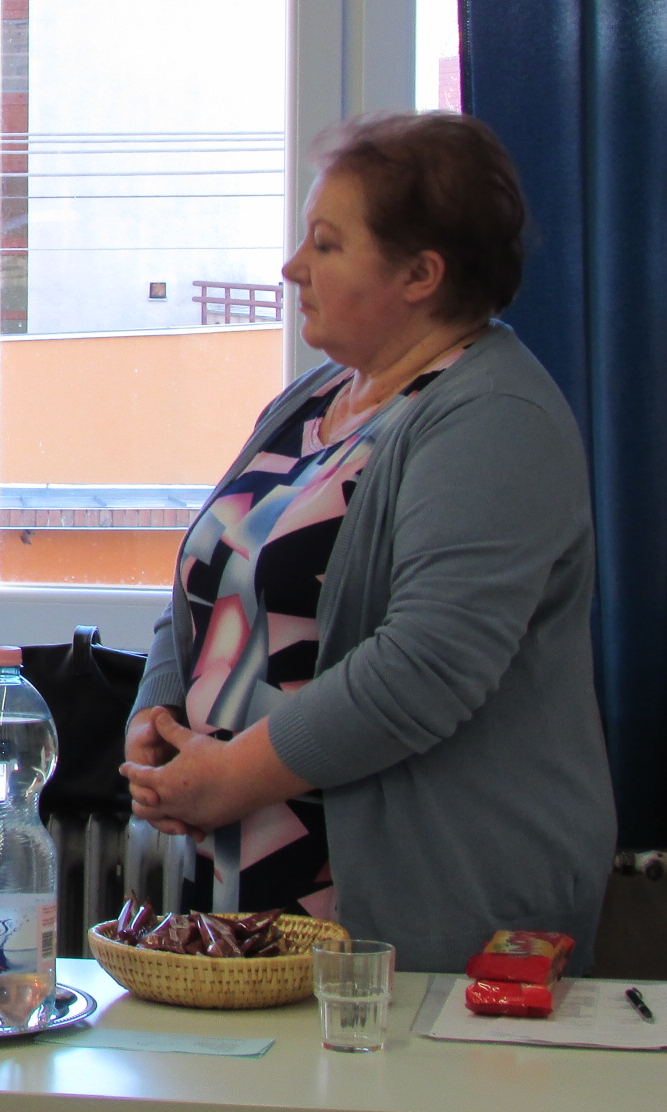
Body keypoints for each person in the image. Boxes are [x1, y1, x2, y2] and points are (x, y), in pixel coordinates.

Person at [120, 112, 615, 973]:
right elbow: (213, 584)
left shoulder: (496, 419)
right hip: (246, 869)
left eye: (327, 244)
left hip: (425, 888)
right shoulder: (313, 398)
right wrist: (156, 719)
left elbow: (427, 665)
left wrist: (236, 776)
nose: (292, 268)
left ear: (421, 274)